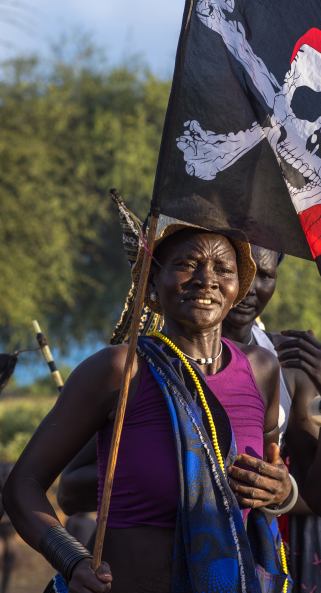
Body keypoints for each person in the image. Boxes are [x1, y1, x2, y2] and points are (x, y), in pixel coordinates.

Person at [3, 220, 293, 593]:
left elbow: (270, 474)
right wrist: (72, 560)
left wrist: (284, 491)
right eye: (187, 264)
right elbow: (22, 485)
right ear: (152, 281)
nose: (207, 279)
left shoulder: (262, 370)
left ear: (238, 287)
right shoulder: (121, 370)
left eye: (223, 269)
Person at [222, 245, 321, 592]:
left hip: (260, 548)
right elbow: (74, 489)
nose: (252, 286)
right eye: (240, 271)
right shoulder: (159, 359)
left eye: (265, 275)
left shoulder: (285, 363)